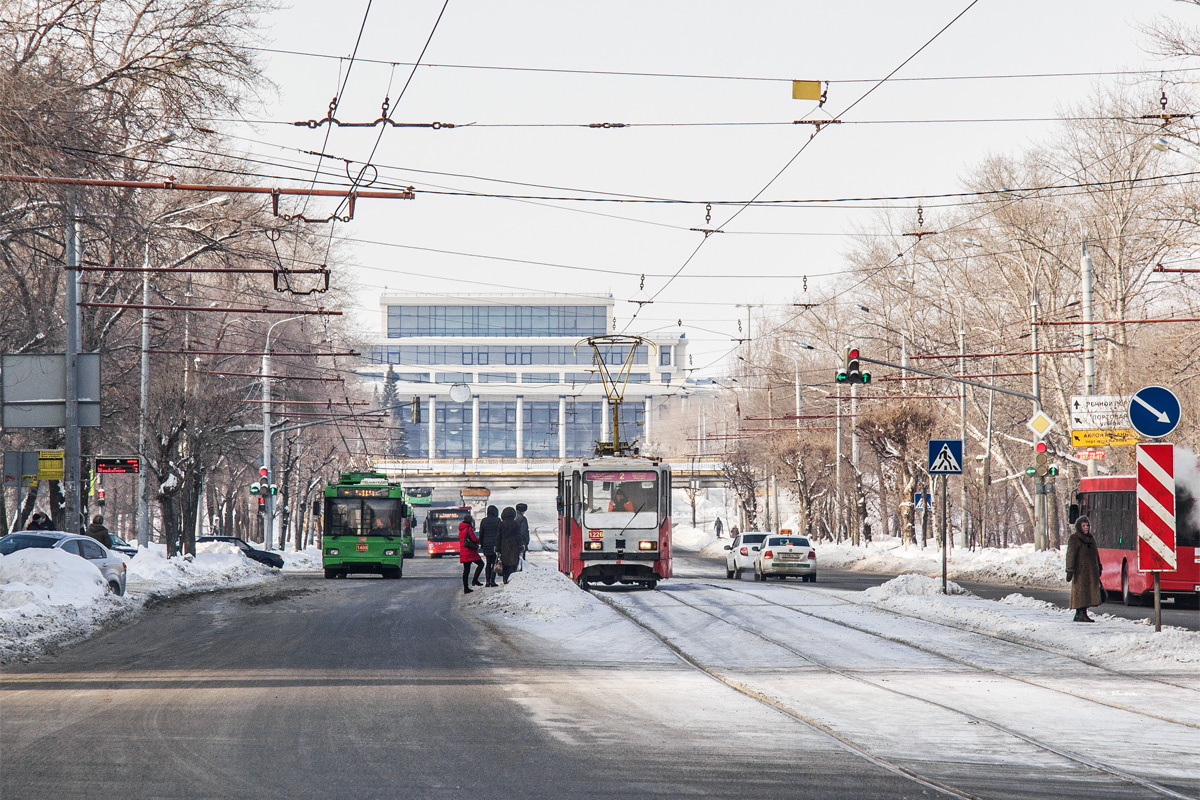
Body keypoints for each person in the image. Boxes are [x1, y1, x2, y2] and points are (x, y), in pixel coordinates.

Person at [1065, 515, 1102, 622]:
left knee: (1088, 593)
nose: (1086, 528)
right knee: (1081, 593)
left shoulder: (1090, 538)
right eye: (1083, 526)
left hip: (1091, 571)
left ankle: (1080, 614)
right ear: (1079, 527)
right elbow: (1070, 555)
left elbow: (1096, 554)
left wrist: (1099, 566)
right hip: (1080, 572)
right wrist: (1069, 570)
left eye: (1087, 525)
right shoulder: (1075, 538)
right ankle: (1081, 613)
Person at [496, 506, 522, 584]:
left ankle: (505, 578)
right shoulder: (515, 523)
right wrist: (520, 545)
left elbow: (498, 537)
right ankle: (512, 578)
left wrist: (497, 547)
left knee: (505, 563)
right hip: (514, 546)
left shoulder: (501, 524)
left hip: (503, 546)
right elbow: (518, 536)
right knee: (513, 563)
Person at [459, 513, 483, 594]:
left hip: (464, 551)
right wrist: (480, 539)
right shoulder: (468, 529)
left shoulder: (461, 529)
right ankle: (475, 580)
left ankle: (466, 588)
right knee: (481, 564)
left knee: (466, 571)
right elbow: (474, 539)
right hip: (470, 551)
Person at [478, 505, 501, 587]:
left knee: (488, 563)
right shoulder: (497, 520)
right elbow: (500, 533)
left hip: (486, 545)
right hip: (495, 545)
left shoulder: (484, 521)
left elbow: (481, 533)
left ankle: (487, 581)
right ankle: (492, 580)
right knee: (494, 563)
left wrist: (482, 544)